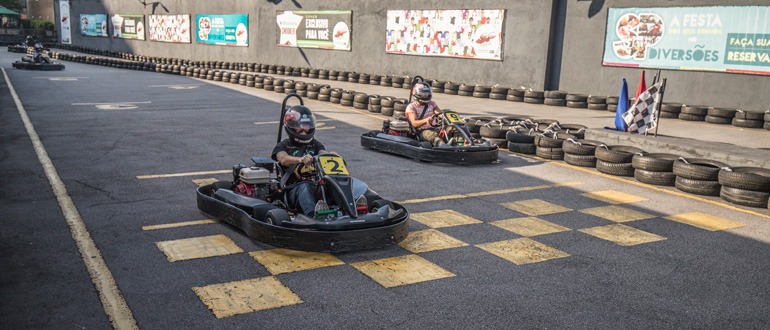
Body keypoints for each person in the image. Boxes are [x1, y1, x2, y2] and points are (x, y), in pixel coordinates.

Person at [271, 105, 367, 217]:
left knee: (334, 184)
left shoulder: (315, 144)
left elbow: (322, 154)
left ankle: (349, 211)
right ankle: (314, 215)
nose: (304, 129)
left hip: (317, 185)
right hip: (294, 190)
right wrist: (300, 159)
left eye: (306, 125)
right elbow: (283, 159)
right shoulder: (283, 145)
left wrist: (332, 156)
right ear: (291, 126)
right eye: (299, 125)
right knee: (305, 187)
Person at [405, 82, 449, 147]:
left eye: (427, 94)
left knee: (452, 128)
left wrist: (449, 118)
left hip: (436, 128)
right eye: (423, 94)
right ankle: (443, 146)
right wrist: (426, 120)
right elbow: (414, 123)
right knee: (432, 135)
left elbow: (439, 113)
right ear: (417, 94)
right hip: (422, 131)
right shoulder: (412, 107)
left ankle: (462, 143)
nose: (425, 96)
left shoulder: (432, 104)